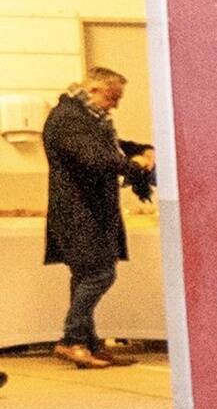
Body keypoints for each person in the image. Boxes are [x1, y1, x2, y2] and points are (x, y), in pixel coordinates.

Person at [36, 66, 153, 367]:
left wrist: (143, 149)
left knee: (85, 276)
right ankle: (71, 339)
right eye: (113, 97)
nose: (115, 104)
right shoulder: (67, 119)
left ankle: (88, 343)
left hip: (92, 210)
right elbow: (95, 158)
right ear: (94, 91)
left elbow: (111, 147)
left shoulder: (89, 118)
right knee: (100, 274)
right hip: (79, 211)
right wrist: (136, 166)